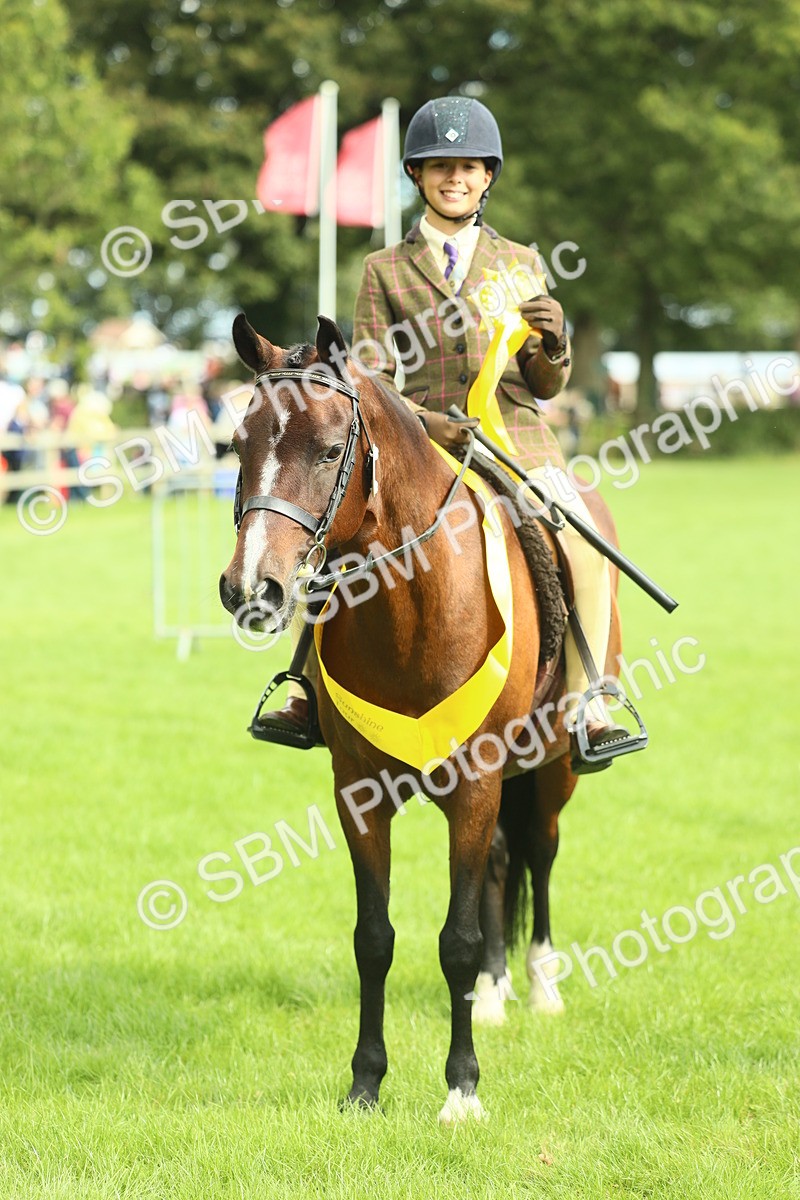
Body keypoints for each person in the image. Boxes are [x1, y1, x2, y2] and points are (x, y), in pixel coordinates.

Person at [260, 96, 634, 772]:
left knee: (582, 532)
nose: (453, 178)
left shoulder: (521, 262)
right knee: (339, 540)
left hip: (517, 437)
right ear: (417, 175)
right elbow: (370, 375)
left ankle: (589, 698)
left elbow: (542, 383)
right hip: (419, 442)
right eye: (439, 168)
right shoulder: (385, 269)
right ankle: (306, 689)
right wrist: (427, 422)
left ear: (487, 176)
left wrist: (554, 345)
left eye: (466, 167)